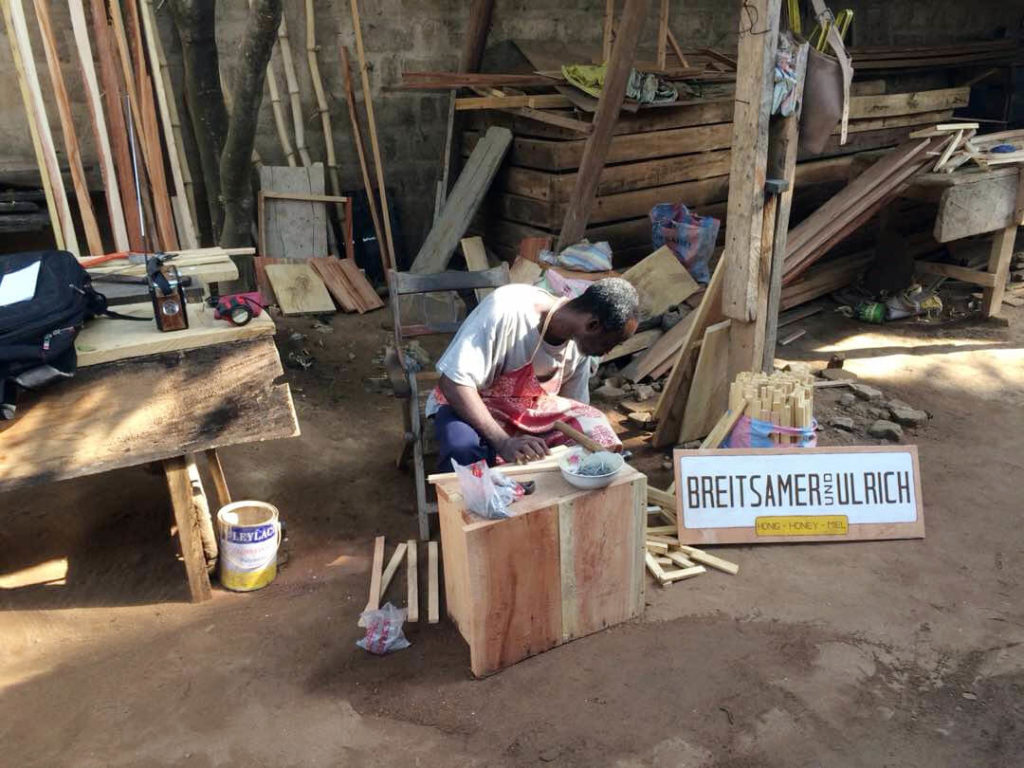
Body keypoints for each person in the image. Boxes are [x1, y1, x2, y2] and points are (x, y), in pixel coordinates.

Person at [427, 277, 640, 472]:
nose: (609, 351)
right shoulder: (506, 309)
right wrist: (503, 442)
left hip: (528, 411)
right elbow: (453, 383)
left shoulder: (580, 344)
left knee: (594, 430)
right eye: (611, 342)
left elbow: (573, 405)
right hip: (469, 401)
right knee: (463, 451)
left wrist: (589, 446)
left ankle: (552, 502)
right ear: (593, 325)